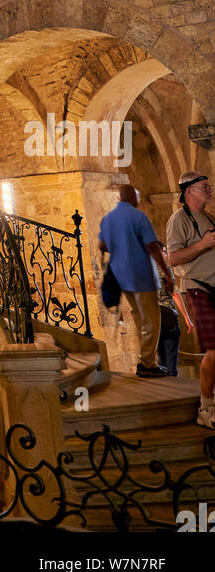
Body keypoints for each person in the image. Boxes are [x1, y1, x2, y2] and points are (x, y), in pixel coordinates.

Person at [98, 184, 174, 377]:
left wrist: (121, 248)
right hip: (141, 275)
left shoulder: (109, 218)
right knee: (152, 320)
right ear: (133, 197)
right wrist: (167, 273)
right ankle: (147, 364)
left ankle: (147, 361)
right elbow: (152, 246)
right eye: (137, 196)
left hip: (122, 276)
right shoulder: (138, 216)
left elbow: (103, 244)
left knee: (140, 318)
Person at [166, 171, 215, 428]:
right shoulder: (179, 220)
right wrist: (203, 245)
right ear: (189, 192)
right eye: (204, 186)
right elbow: (172, 259)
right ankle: (206, 408)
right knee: (214, 351)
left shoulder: (207, 217)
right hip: (198, 289)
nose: (209, 189)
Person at [156, 244, 190, 376]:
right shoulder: (164, 268)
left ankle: (165, 388)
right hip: (167, 314)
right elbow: (175, 293)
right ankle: (174, 386)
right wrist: (187, 318)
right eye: (164, 252)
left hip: (154, 317)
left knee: (161, 358)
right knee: (171, 356)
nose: (166, 255)